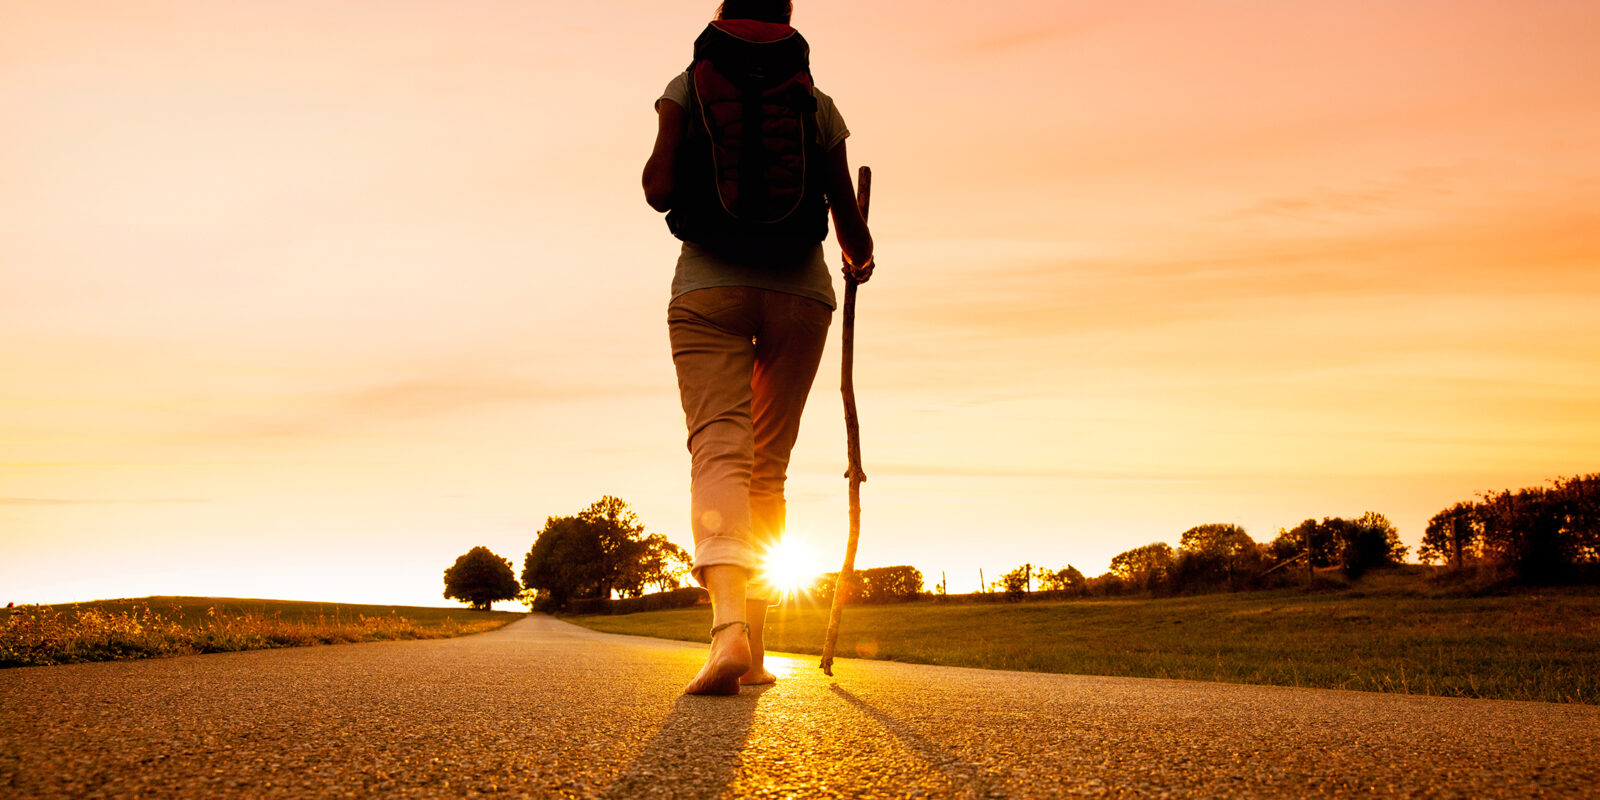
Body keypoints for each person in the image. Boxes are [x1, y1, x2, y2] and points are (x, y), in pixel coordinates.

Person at [642, 0, 875, 695]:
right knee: (766, 468)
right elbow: (850, 231)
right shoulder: (816, 102)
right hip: (801, 296)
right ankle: (763, 656)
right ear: (786, 21)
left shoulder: (686, 85)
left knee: (720, 448)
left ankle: (727, 634)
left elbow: (656, 188)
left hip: (707, 289)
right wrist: (859, 258)